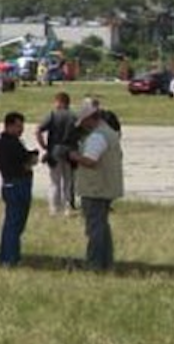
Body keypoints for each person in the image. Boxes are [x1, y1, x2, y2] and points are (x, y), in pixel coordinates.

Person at [67, 99, 123, 271]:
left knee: (94, 229)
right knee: (102, 227)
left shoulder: (97, 136)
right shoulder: (110, 133)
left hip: (95, 188)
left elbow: (91, 161)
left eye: (84, 122)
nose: (83, 126)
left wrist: (74, 156)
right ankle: (106, 261)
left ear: (91, 118)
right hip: (106, 186)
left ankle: (94, 263)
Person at [0, 111, 37, 266]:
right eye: (18, 126)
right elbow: (26, 160)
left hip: (15, 184)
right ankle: (9, 258)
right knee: (13, 224)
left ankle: (9, 256)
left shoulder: (12, 141)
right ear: (9, 125)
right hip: (16, 186)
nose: (21, 129)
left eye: (22, 126)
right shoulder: (10, 143)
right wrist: (31, 158)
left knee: (15, 224)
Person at [36, 92, 77, 217]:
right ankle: (67, 208)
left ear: (59, 101)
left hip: (54, 151)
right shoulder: (74, 116)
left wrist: (43, 146)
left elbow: (38, 130)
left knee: (55, 182)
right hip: (70, 152)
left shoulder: (52, 115)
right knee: (68, 181)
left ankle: (54, 209)